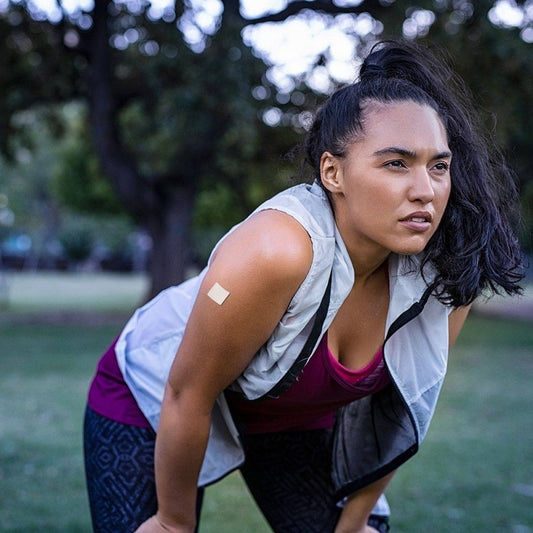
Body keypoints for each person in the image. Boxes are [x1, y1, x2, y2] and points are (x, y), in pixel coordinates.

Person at [83, 40, 524, 533]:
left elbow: (405, 409)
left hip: (288, 419)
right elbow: (187, 393)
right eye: (396, 163)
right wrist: (172, 523)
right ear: (333, 172)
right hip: (152, 396)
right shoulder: (277, 250)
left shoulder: (446, 274)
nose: (425, 189)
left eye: (438, 166)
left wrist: (355, 523)